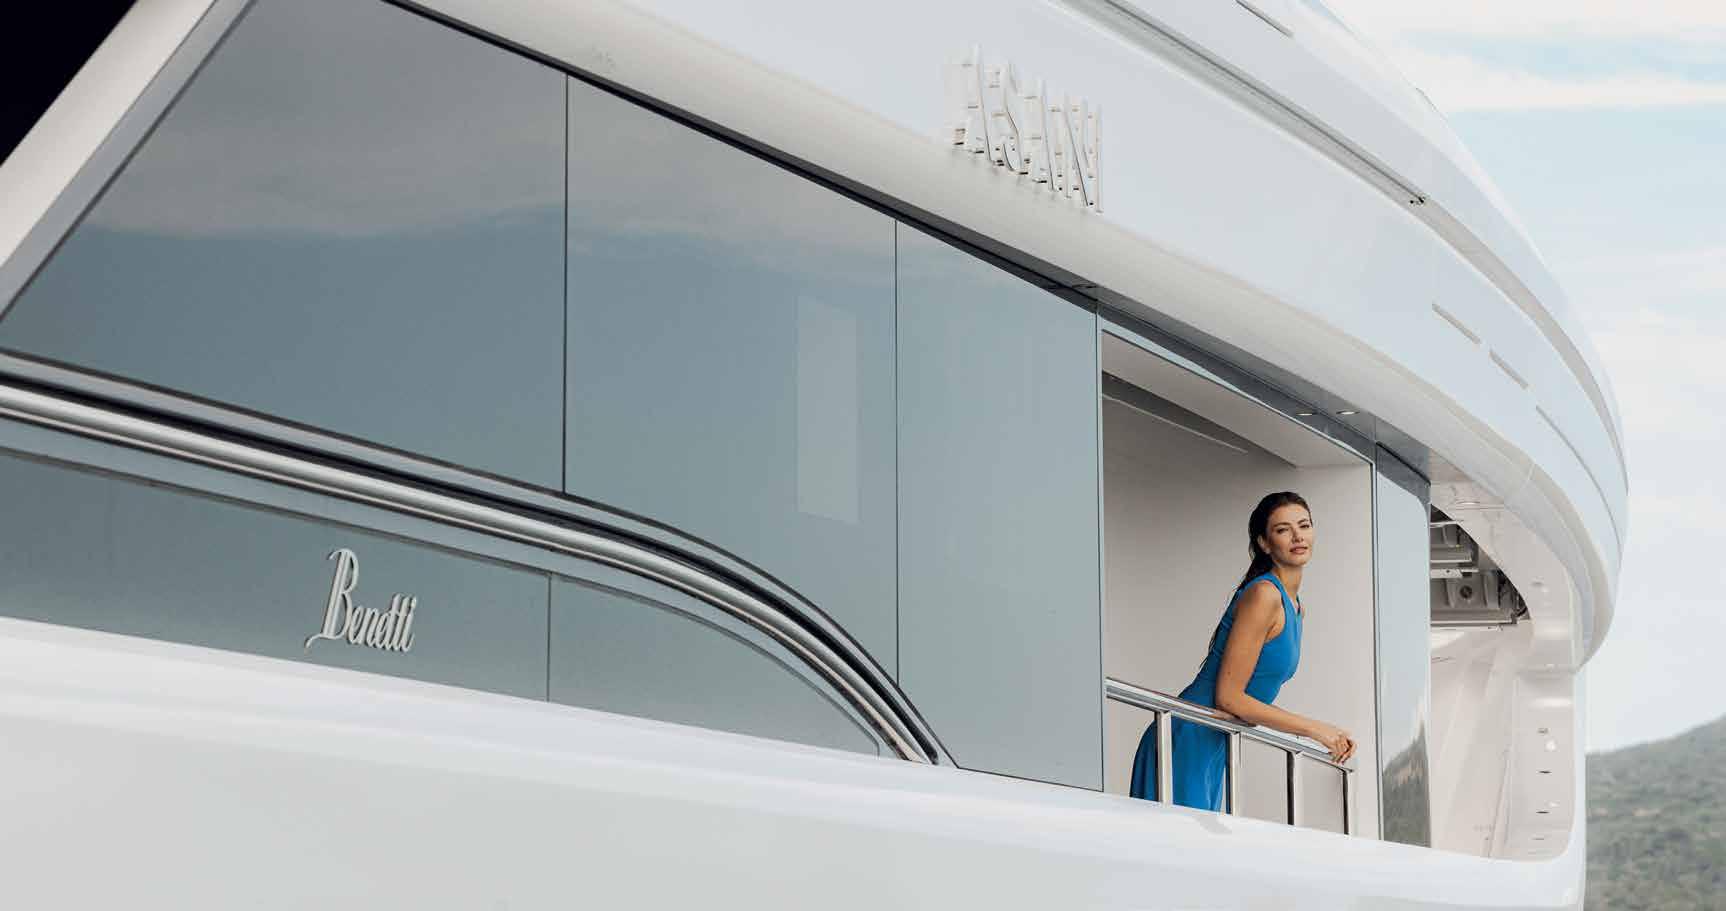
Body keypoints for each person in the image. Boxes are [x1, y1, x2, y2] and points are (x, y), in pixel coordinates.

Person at [1129, 491, 1355, 810]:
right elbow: (1229, 698)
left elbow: (1247, 697)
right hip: (1191, 732)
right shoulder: (1265, 595)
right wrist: (1316, 730)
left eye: (1304, 525)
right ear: (1264, 543)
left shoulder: (1295, 607)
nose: (1297, 536)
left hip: (1215, 739)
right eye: (1283, 529)